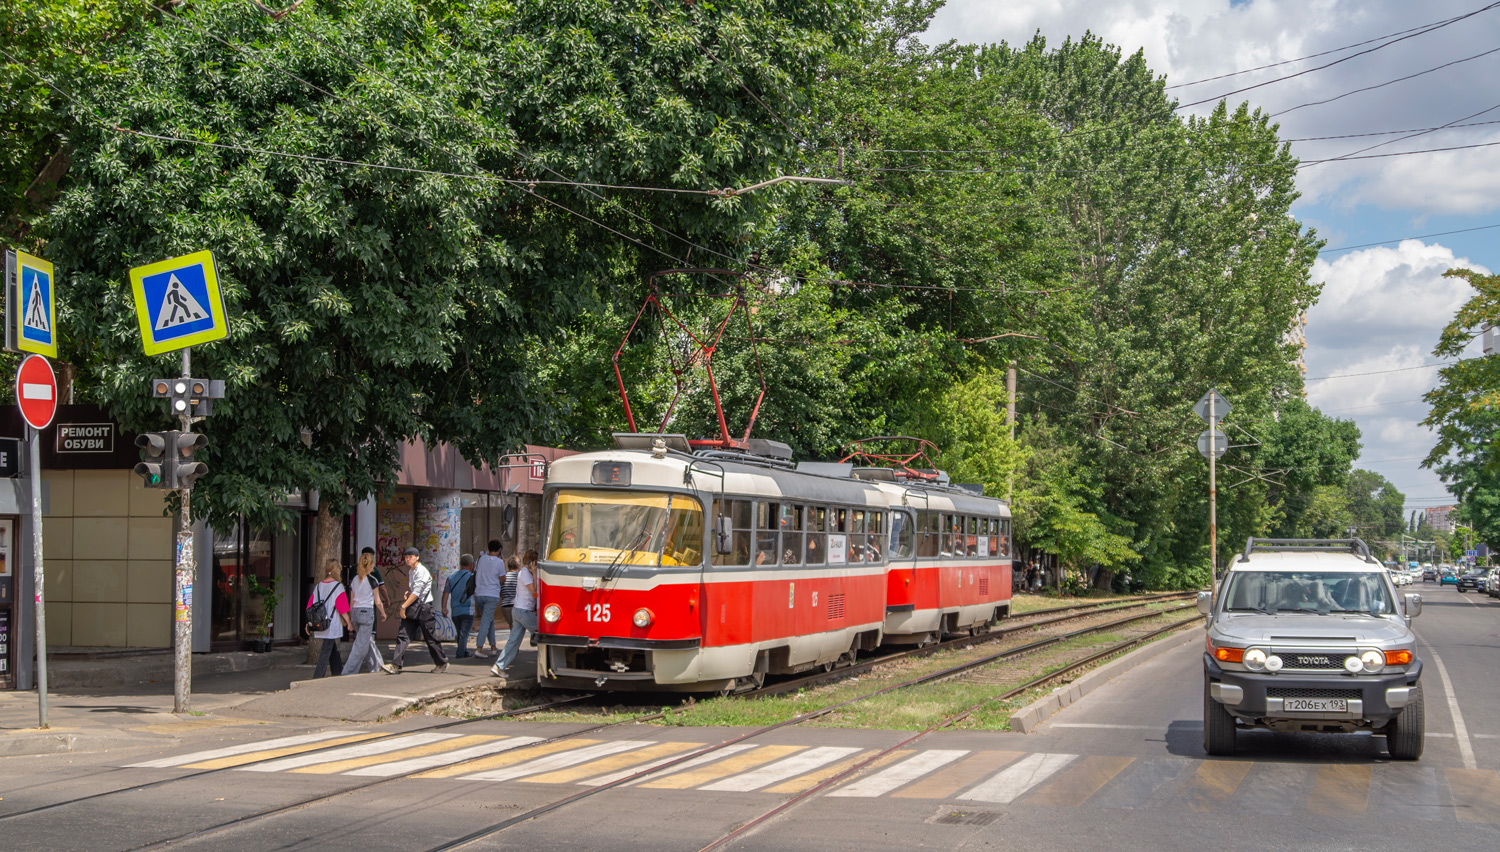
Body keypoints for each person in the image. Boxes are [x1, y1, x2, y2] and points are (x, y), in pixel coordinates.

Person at [383, 547, 449, 674]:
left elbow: (418, 592)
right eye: (406, 557)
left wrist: (403, 606)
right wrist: (409, 593)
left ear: (417, 557)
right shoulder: (411, 571)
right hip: (413, 607)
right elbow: (415, 590)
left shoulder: (421, 570)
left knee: (430, 637)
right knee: (403, 635)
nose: (408, 559)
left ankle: (441, 662)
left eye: (411, 557)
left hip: (424, 608)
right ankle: (395, 665)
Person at [492, 549, 538, 678]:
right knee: (544, 633)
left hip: (519, 610)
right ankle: (547, 665)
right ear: (530, 563)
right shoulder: (525, 574)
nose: (536, 565)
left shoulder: (525, 572)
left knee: (513, 641)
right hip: (523, 611)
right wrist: (534, 573)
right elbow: (535, 590)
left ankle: (499, 666)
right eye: (535, 562)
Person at [342, 547, 387, 674]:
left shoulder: (354, 580)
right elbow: (377, 601)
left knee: (364, 641)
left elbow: (351, 600)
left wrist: (350, 618)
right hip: (366, 613)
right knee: (360, 645)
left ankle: (377, 666)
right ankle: (347, 672)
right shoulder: (373, 580)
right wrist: (383, 613)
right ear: (371, 565)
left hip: (355, 612)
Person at [307, 559, 352, 678]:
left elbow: (310, 605)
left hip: (320, 622)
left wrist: (308, 623)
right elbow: (342, 607)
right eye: (340, 569)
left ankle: (338, 672)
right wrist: (349, 622)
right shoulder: (338, 586)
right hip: (331, 623)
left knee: (332, 648)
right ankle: (317, 676)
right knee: (326, 649)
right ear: (336, 570)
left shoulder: (318, 586)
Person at [472, 540, 505, 657]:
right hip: (492, 595)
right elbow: (502, 579)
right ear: (499, 550)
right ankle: (479, 648)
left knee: (488, 618)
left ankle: (493, 646)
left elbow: (476, 572)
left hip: (479, 594)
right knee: (486, 620)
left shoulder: (480, 559)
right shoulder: (500, 562)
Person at [445, 554, 477, 658]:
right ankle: (460, 654)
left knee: (460, 632)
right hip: (468, 609)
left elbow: (445, 593)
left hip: (455, 610)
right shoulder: (472, 578)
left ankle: (464, 651)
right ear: (471, 565)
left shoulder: (451, 577)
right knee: (464, 633)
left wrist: (443, 607)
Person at [499, 555, 520, 632]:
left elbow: (501, 591)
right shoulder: (519, 576)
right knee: (516, 629)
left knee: (513, 628)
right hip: (516, 605)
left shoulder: (504, 577)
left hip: (505, 606)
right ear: (518, 565)